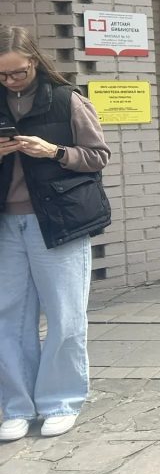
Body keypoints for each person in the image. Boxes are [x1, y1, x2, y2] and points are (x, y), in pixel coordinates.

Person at [0, 26, 111, 442]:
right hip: (6, 224)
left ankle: (60, 401)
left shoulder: (67, 99)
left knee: (65, 316)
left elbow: (98, 156)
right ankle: (16, 407)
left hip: (59, 221)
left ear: (34, 61)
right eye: (2, 75)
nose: (11, 81)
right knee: (8, 318)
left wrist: (54, 152)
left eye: (19, 72)